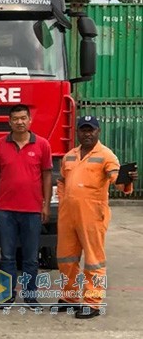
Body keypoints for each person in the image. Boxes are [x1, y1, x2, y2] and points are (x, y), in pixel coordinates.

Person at [56, 115, 137, 319]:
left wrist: (126, 180)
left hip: (92, 215)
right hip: (68, 215)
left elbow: (116, 179)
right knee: (66, 258)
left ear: (98, 132)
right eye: (83, 129)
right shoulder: (70, 156)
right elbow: (62, 181)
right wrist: (64, 200)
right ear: (78, 133)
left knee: (94, 261)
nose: (87, 133)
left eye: (91, 129)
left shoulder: (106, 155)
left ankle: (93, 302)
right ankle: (69, 297)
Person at [0, 104, 52, 308]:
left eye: (23, 118)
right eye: (15, 119)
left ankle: (30, 296)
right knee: (6, 256)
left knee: (30, 258)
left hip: (32, 210)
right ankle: (6, 296)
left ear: (29, 120)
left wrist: (46, 205)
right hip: (5, 209)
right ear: (9, 122)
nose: (19, 122)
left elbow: (47, 176)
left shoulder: (42, 145)